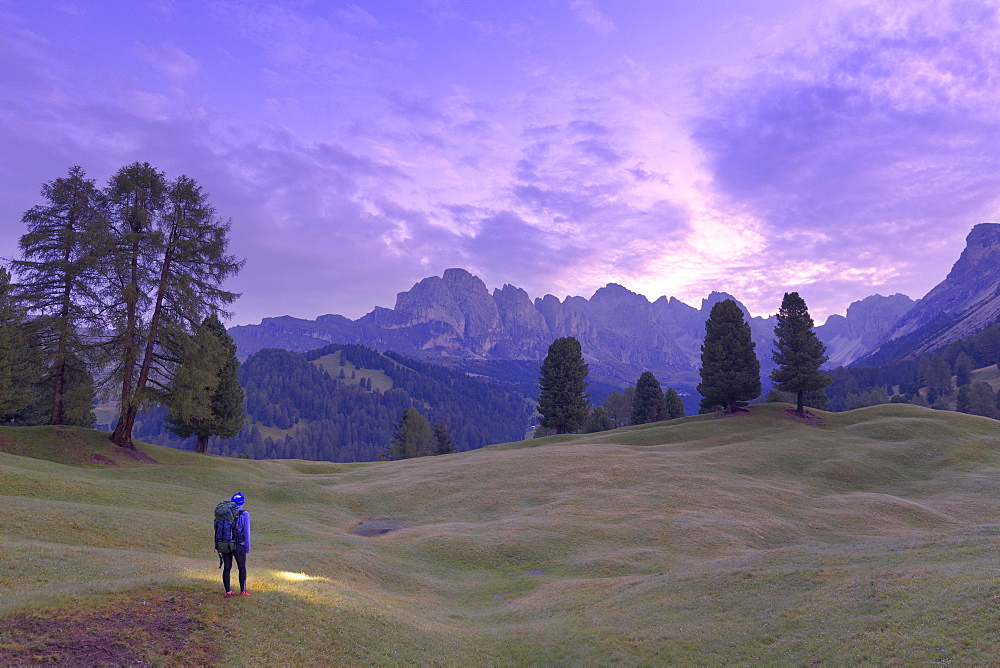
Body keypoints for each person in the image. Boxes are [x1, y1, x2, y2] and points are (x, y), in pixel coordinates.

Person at [222, 492, 252, 598]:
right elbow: (246, 532)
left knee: (227, 567)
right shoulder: (244, 514)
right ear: (242, 502)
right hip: (239, 544)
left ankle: (228, 591)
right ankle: (243, 590)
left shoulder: (225, 513)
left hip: (225, 544)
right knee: (242, 567)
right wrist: (247, 548)